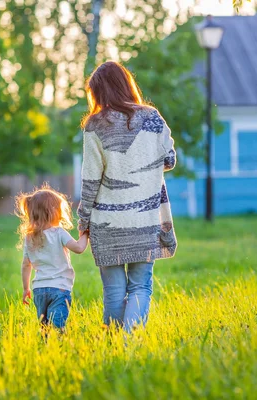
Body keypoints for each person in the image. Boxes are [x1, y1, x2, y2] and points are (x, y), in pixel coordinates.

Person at [78, 61, 177, 333]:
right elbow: (169, 159)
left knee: (113, 290)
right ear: (126, 84)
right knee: (140, 286)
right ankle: (129, 342)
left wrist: (83, 218)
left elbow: (90, 178)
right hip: (145, 219)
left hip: (107, 223)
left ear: (98, 92)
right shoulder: (152, 117)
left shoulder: (94, 125)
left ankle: (112, 344)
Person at [16, 185, 88, 331]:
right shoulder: (58, 233)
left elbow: (26, 265)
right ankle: (58, 349)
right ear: (54, 212)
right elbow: (79, 248)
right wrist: (85, 233)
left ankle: (46, 349)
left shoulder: (29, 237)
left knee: (44, 328)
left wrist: (26, 288)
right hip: (59, 288)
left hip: (39, 290)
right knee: (57, 329)